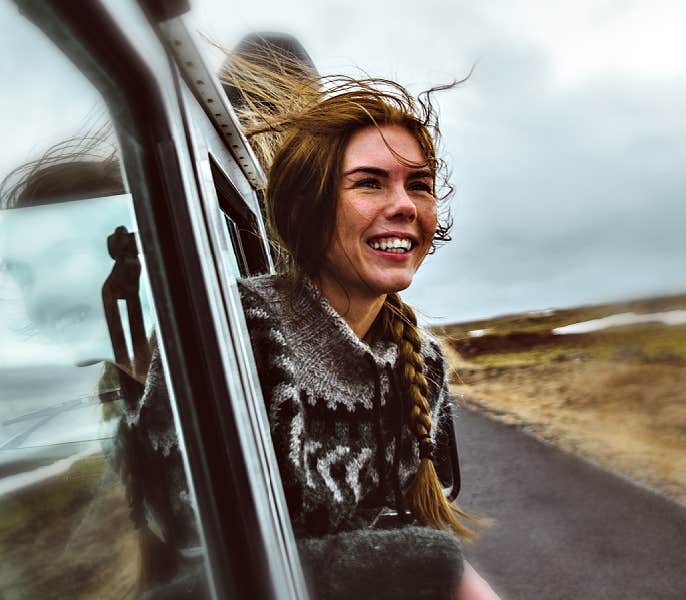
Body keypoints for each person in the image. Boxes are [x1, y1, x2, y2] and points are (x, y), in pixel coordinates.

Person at [139, 39, 502, 598]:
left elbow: (400, 520)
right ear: (310, 204)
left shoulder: (421, 362)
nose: (404, 204)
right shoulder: (234, 327)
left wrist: (421, 559)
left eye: (419, 184)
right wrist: (430, 563)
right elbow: (193, 548)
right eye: (369, 182)